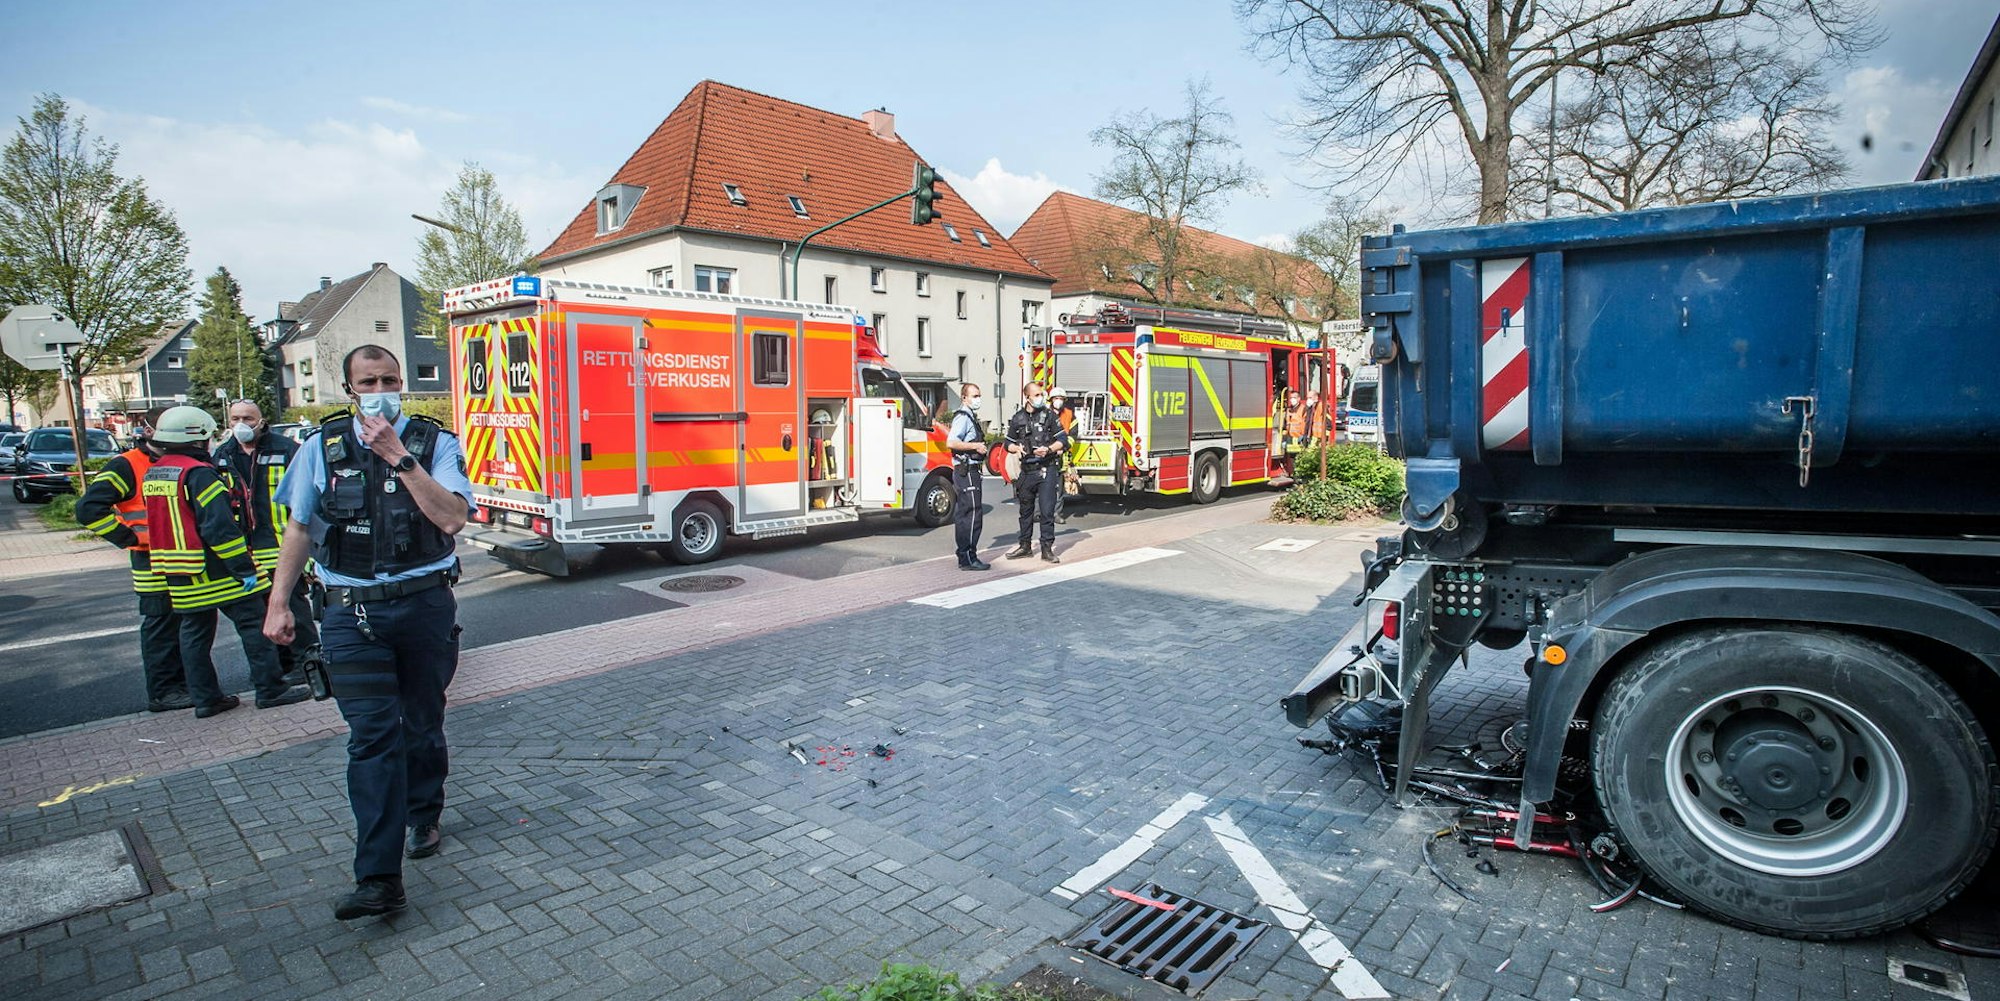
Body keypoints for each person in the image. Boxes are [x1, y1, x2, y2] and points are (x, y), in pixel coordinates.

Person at [263, 344, 474, 922]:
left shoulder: (435, 444)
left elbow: (452, 518)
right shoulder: (321, 448)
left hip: (424, 605)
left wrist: (400, 457)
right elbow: (300, 527)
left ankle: (424, 811)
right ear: (349, 387)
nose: (379, 388)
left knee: (422, 721)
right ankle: (379, 879)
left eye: (388, 378)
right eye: (367, 380)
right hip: (350, 613)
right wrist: (279, 603)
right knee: (373, 738)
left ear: (401, 382)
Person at [141, 406, 309, 719]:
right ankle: (271, 689)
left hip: (178, 571)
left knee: (193, 636)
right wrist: (244, 569)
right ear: (199, 438)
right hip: (216, 570)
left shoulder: (157, 472)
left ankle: (206, 700)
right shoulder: (199, 474)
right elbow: (219, 529)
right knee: (255, 624)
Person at [76, 407, 191, 712]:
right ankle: (164, 692)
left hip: (183, 558)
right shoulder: (128, 465)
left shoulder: (181, 460)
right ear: (149, 430)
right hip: (152, 561)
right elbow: (88, 509)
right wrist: (129, 538)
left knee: (186, 626)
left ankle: (183, 685)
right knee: (162, 627)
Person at [213, 399, 319, 684]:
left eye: (248, 418)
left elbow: (308, 500)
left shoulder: (285, 450)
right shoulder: (224, 454)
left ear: (261, 420)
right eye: (235, 418)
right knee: (262, 616)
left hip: (284, 547)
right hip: (248, 554)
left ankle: (308, 665)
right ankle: (281, 667)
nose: (241, 424)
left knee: (295, 611)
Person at [1004, 382, 1068, 563]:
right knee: (1025, 512)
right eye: (1037, 394)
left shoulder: (1049, 416)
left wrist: (1048, 449)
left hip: (1047, 469)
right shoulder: (1018, 418)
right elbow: (1007, 443)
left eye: (1042, 394)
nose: (1041, 397)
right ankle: (1025, 546)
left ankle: (1047, 549)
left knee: (1047, 512)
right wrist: (1015, 447)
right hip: (1026, 471)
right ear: (1028, 397)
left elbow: (1063, 440)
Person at [945, 383, 990, 571]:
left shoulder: (969, 416)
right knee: (972, 514)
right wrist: (976, 447)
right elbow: (952, 442)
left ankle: (964, 555)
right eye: (974, 395)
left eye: (979, 395)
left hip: (968, 471)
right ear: (964, 397)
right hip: (966, 471)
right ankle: (969, 557)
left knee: (965, 513)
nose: (977, 399)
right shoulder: (963, 417)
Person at [1048, 387, 1076, 523]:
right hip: (1045, 455)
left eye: (1060, 399)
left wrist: (1063, 447)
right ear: (1051, 400)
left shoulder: (1069, 415)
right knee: (1041, 486)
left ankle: (1056, 514)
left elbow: (1073, 435)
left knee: (1058, 488)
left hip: (1061, 456)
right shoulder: (1043, 414)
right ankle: (1039, 513)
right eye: (1056, 398)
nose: (1058, 401)